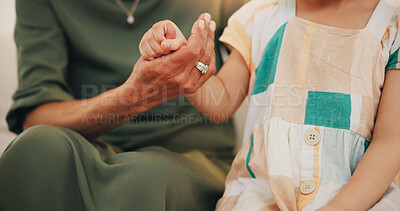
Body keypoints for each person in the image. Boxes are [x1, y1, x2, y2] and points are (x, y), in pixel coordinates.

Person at [140, 0, 400, 210]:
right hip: (263, 192)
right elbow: (220, 103)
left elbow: (390, 139)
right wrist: (181, 61)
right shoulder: (261, 15)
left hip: (360, 194)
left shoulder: (392, 26)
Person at [0, 0, 248, 210]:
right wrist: (135, 95)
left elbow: (267, 28)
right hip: (89, 148)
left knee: (144, 178)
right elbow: (35, 118)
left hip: (193, 157)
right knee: (34, 149)